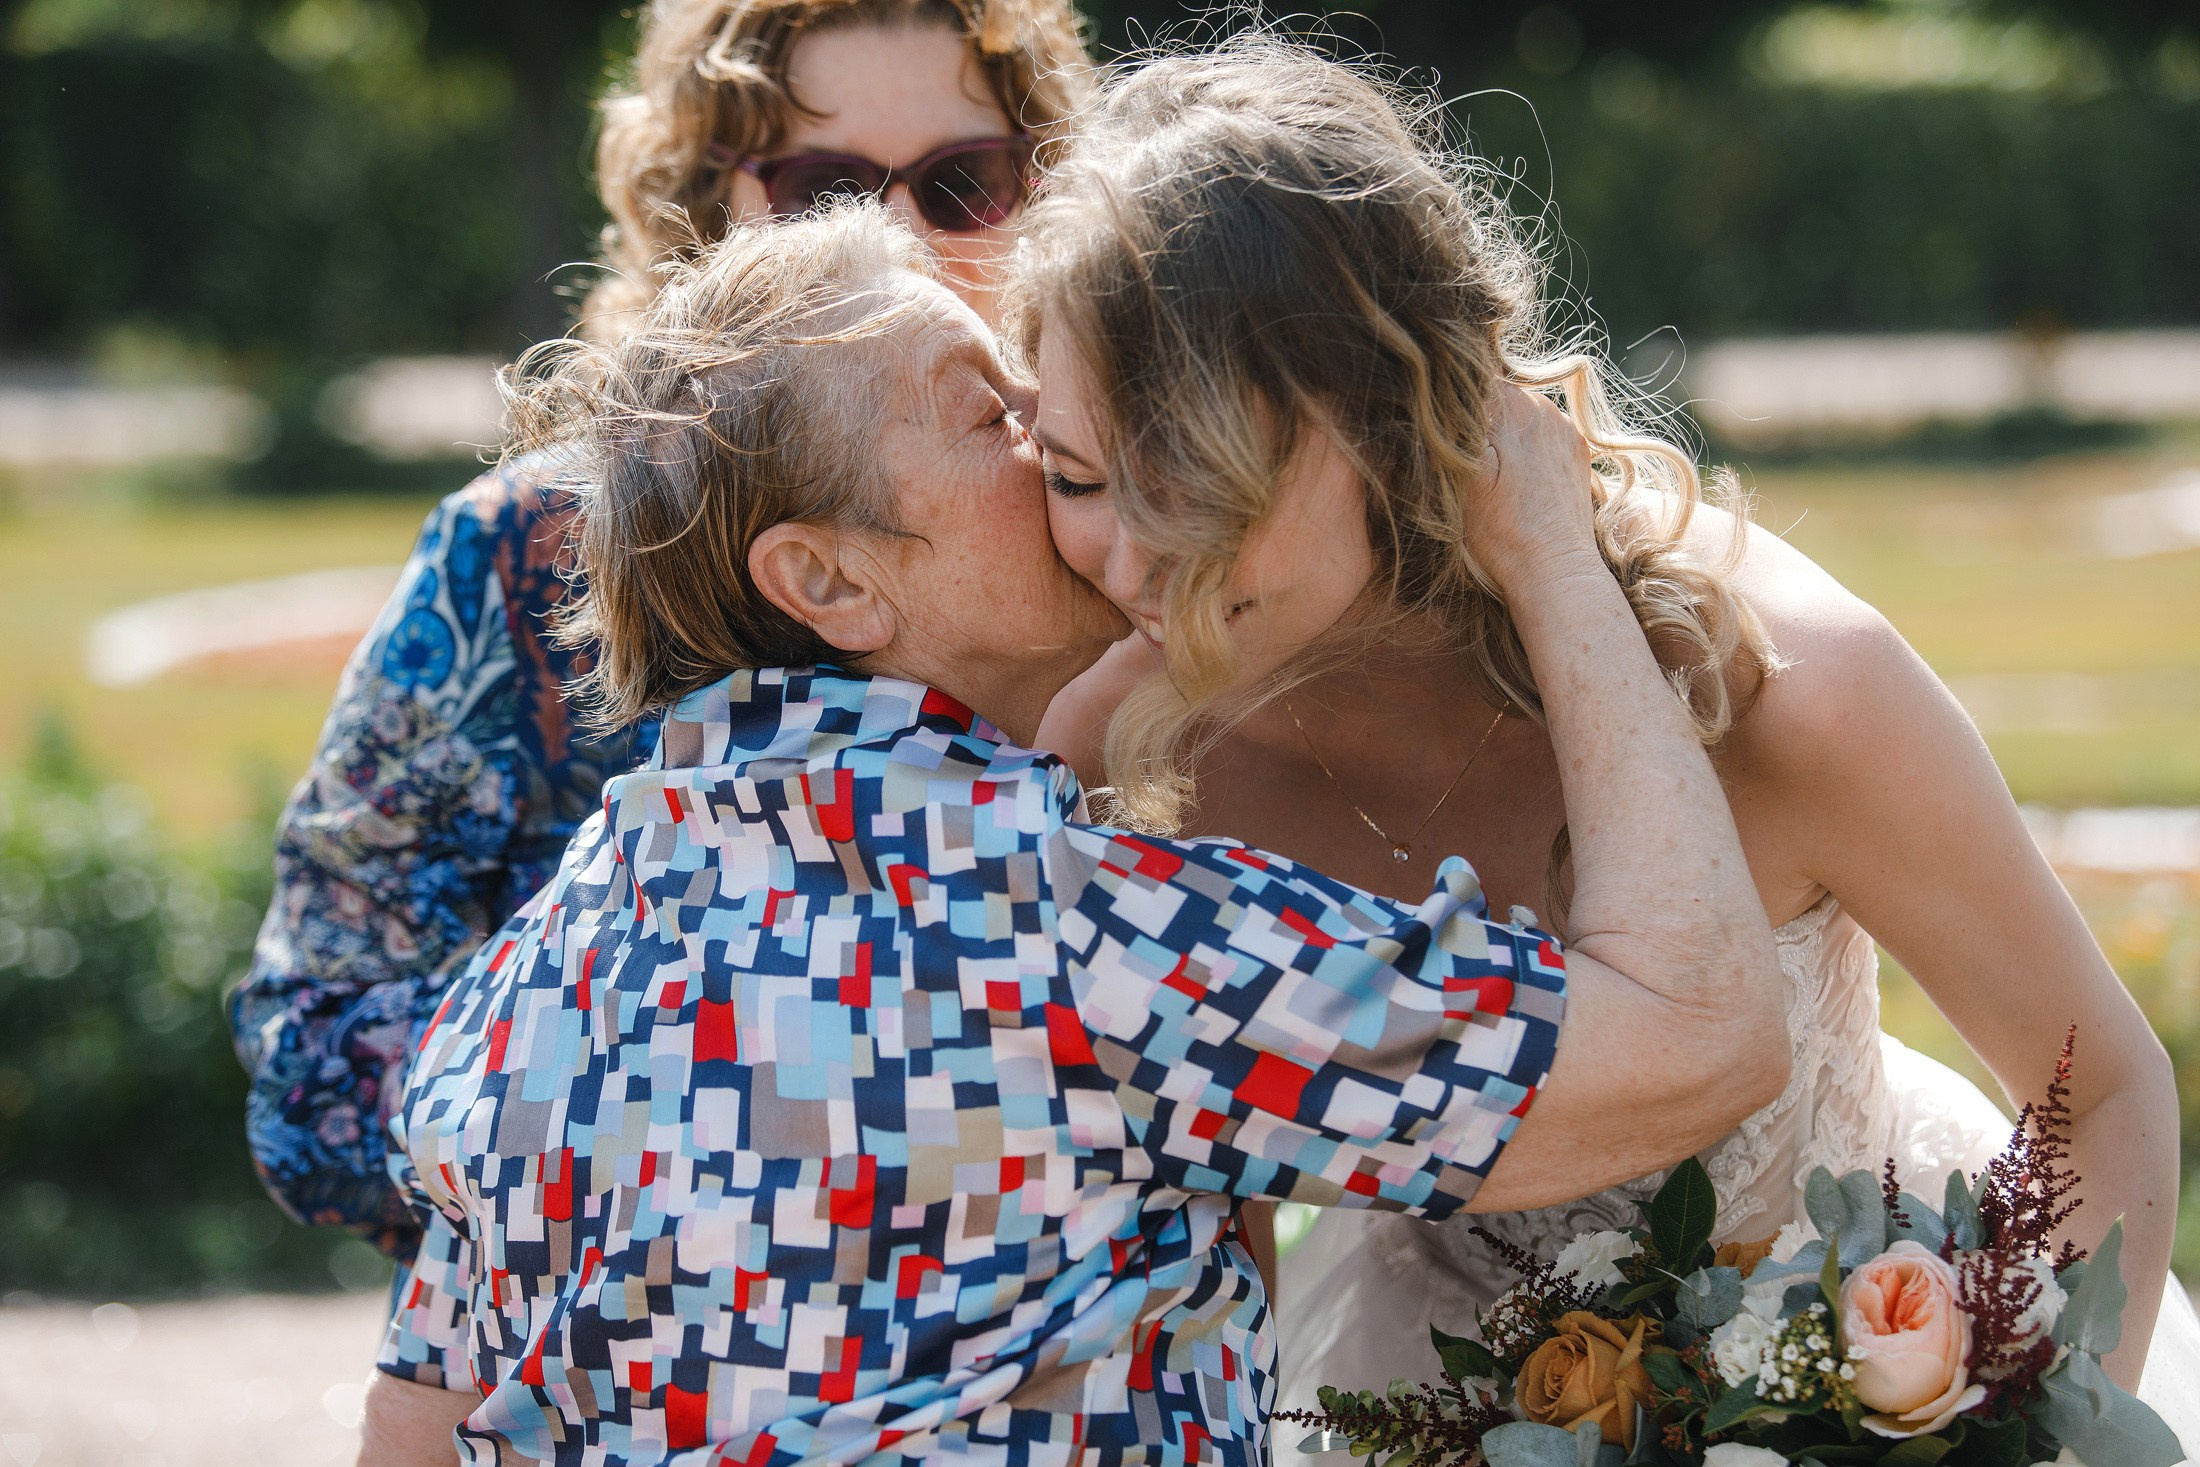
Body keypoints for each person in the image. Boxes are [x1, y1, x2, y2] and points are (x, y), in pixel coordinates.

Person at [354, 204, 1791, 1465]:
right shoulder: (1066, 935)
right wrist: (1543, 544)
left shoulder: (522, 985)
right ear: (828, 579)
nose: (1059, 437)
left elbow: (418, 1430)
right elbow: (1696, 1039)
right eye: (991, 415)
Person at [1017, 36, 2200, 1439]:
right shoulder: (1142, 761)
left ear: (1396, 424)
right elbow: (1203, 1257)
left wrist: (2021, 1438)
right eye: (1081, 476)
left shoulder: (1784, 688)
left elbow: (2105, 1089)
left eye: (1209, 485)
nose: (1139, 556)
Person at [227, 0, 1091, 1259]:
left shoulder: (1114, 520)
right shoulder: (526, 546)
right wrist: (703, 1072)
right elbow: (309, 1069)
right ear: (704, 207)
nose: (890, 231)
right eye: (822, 186)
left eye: (962, 182)